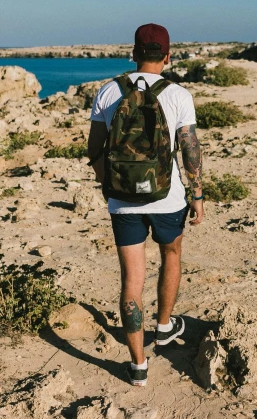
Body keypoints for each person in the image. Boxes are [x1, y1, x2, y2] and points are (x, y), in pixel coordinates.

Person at [87, 23, 205, 387]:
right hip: (166, 196)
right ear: (167, 56)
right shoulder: (178, 95)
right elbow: (189, 150)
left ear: (133, 53)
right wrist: (197, 195)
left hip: (123, 202)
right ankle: (165, 326)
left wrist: (111, 185)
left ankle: (138, 365)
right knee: (171, 254)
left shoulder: (108, 92)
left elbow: (94, 150)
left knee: (131, 281)